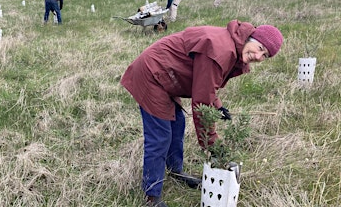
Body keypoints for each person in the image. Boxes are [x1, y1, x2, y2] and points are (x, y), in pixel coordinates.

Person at [120, 20, 283, 207]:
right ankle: (151, 196)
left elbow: (207, 83)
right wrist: (213, 146)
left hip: (168, 76)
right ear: (250, 38)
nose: (258, 55)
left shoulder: (234, 48)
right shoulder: (220, 50)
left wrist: (218, 105)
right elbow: (202, 102)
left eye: (265, 55)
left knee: (177, 124)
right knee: (160, 137)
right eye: (260, 47)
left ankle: (175, 171)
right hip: (152, 74)